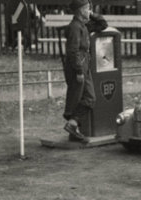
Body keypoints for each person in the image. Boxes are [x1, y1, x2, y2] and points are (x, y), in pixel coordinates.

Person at [62, 0, 107, 141]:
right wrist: (79, 71)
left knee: (89, 98)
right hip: (78, 65)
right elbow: (72, 51)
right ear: (80, 10)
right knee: (79, 97)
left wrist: (91, 13)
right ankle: (72, 125)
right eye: (87, 8)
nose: (89, 11)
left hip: (83, 64)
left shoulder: (83, 25)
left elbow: (103, 24)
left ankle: (72, 126)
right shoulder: (75, 27)